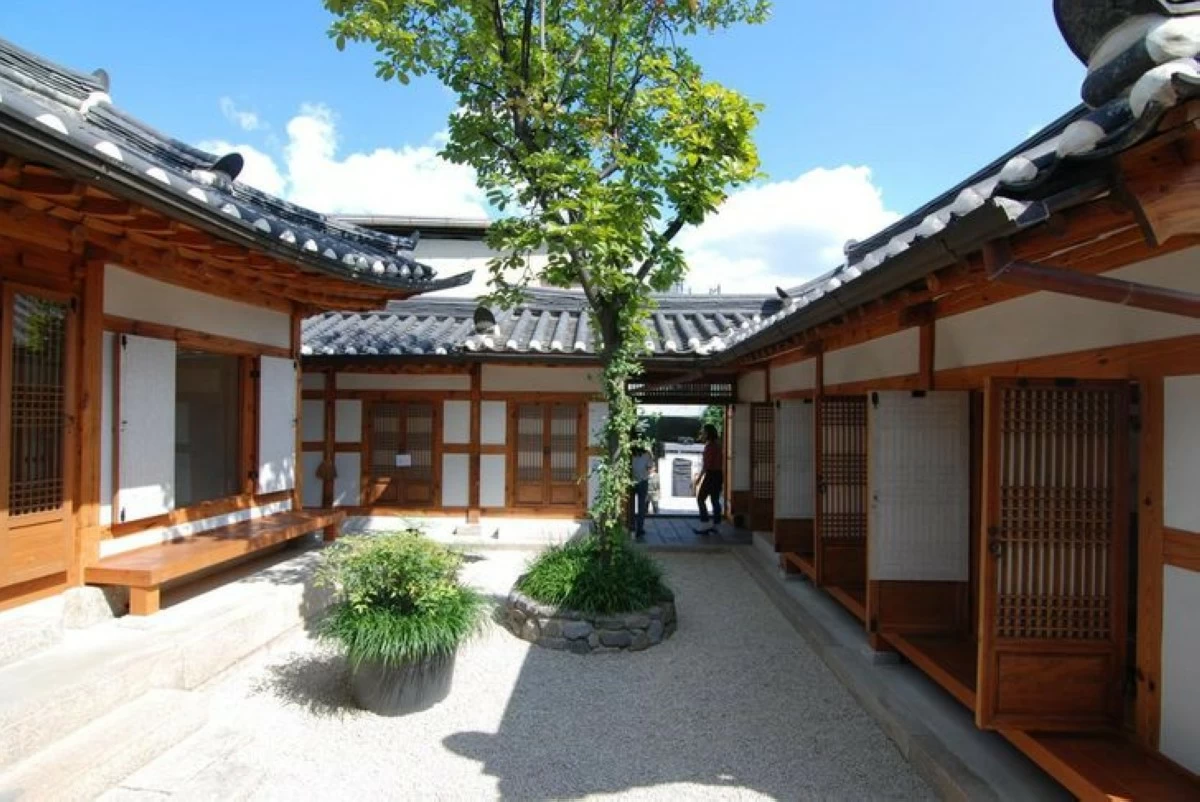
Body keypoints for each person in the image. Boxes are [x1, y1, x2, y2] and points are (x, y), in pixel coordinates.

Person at [694, 423, 724, 534]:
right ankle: (717, 524)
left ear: (708, 433)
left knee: (701, 498)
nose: (702, 434)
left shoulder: (710, 446)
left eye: (703, 432)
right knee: (715, 500)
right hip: (719, 474)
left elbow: (707, 465)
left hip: (711, 475)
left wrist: (699, 478)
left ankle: (705, 523)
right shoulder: (718, 445)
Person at [630, 444, 654, 540]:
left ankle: (631, 525)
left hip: (631, 481)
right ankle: (640, 529)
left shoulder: (630, 454)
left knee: (630, 505)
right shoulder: (647, 454)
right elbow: (649, 468)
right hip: (643, 481)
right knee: (641, 506)